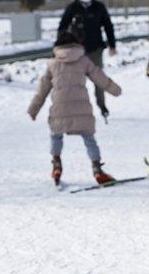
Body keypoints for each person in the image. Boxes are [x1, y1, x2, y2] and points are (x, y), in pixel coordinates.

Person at [28, 30, 122, 186]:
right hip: (81, 108)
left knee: (56, 135)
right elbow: (100, 77)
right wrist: (115, 90)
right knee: (89, 138)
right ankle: (97, 169)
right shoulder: (83, 60)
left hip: (60, 107)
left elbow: (42, 89)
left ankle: (56, 164)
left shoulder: (52, 64)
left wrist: (34, 109)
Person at [58, 0, 117, 125]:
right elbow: (62, 27)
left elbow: (108, 26)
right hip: (77, 51)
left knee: (98, 79)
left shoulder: (98, 7)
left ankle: (102, 106)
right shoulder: (73, 8)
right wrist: (61, 46)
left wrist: (112, 45)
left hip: (95, 49)